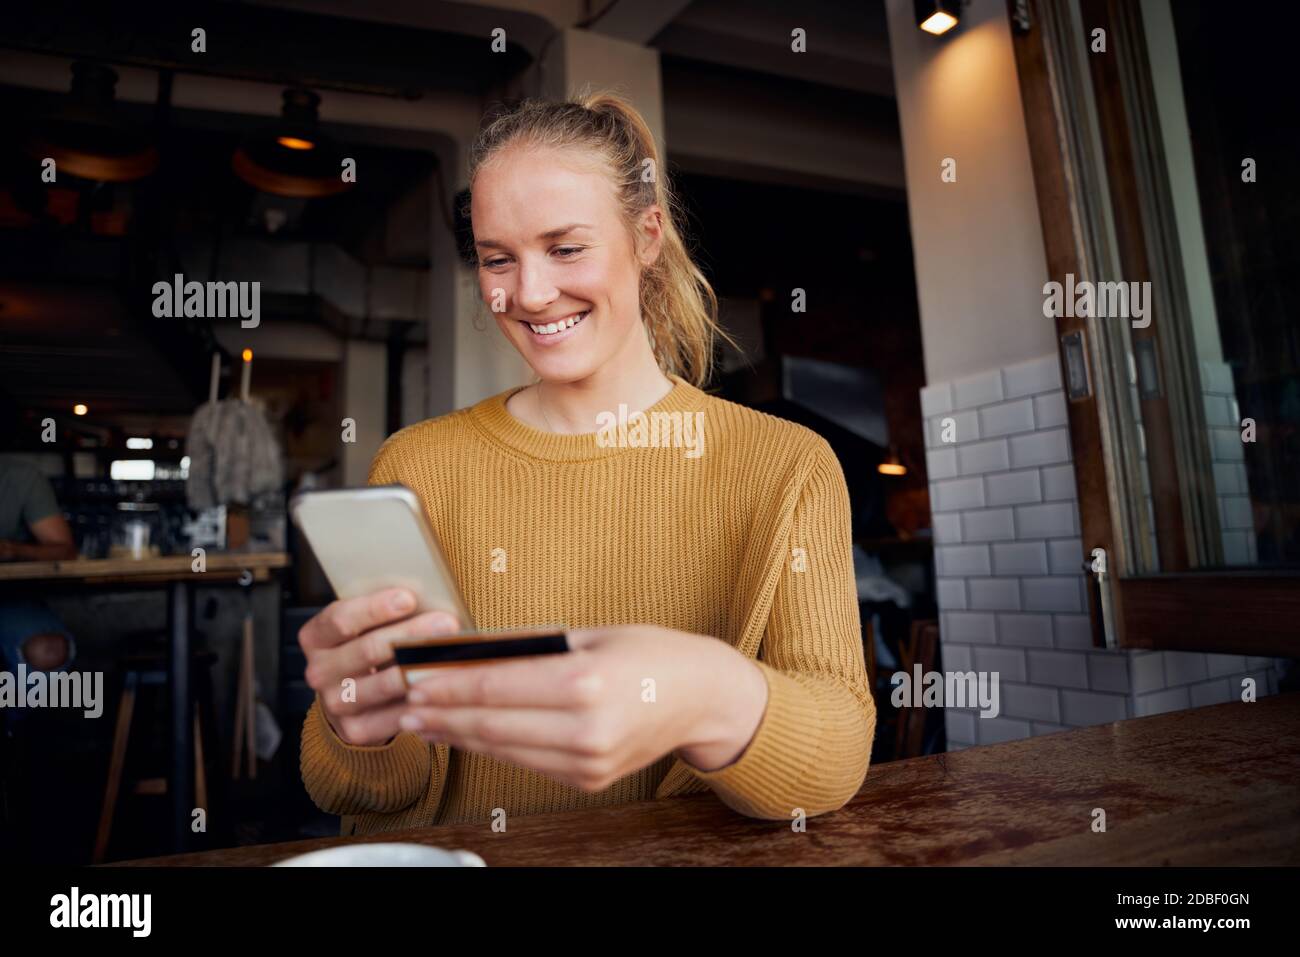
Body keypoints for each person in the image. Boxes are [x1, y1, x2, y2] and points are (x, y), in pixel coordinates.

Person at [298, 92, 876, 833]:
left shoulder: (785, 464)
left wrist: (706, 692)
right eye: (497, 259)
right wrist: (359, 720)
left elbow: (831, 764)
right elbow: (373, 788)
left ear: (647, 236)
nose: (531, 294)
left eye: (565, 248)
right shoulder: (418, 465)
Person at [0, 460, 78, 713]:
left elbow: (64, 550)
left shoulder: (18, 476)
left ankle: (9, 728)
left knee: (49, 650)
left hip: (8, 602)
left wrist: (12, 550)